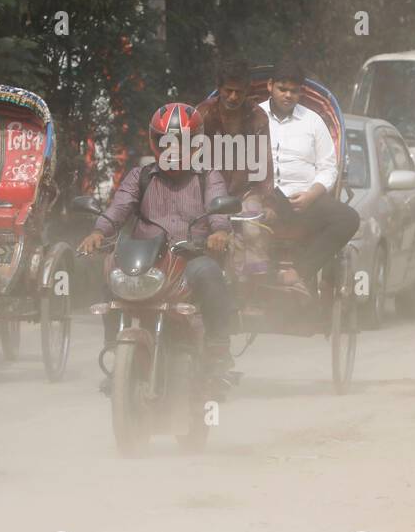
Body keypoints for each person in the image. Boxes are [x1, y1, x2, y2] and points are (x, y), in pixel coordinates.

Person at [77, 103, 236, 388]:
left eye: (182, 143)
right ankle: (116, 352)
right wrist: (98, 232)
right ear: (155, 142)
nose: (173, 149)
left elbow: (219, 210)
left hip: (190, 259)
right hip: (148, 260)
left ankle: (217, 349)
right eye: (166, 143)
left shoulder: (207, 176)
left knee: (210, 272)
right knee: (110, 272)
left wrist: (220, 232)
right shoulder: (141, 176)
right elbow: (117, 210)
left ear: (196, 144)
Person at [259, 58, 360, 294]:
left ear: (300, 93)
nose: (287, 95)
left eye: (294, 91)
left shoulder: (313, 121)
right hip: (262, 200)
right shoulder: (254, 116)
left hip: (303, 204)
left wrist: (311, 195)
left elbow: (328, 167)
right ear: (270, 86)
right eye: (282, 89)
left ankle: (300, 272)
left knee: (349, 218)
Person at [195, 57, 273, 275]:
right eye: (228, 90)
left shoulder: (257, 117)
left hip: (244, 192)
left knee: (253, 230)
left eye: (239, 91)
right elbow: (189, 161)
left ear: (247, 90)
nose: (233, 96)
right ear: (219, 88)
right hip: (207, 192)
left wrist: (268, 201)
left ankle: (251, 292)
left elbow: (264, 162)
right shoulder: (202, 115)